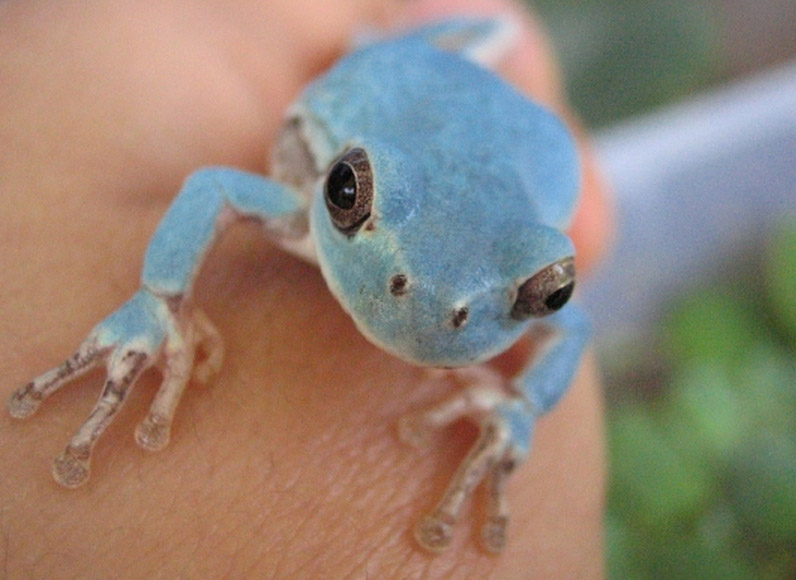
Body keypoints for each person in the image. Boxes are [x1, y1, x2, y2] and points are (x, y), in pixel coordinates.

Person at [0, 0, 611, 577]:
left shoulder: (488, 277)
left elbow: (571, 326)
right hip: (396, 82)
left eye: (542, 289)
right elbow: (217, 188)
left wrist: (524, 403)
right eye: (351, 194)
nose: (427, 298)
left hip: (470, 103)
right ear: (339, 184)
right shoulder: (306, 201)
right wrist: (159, 297)